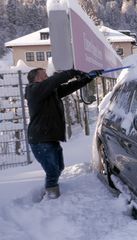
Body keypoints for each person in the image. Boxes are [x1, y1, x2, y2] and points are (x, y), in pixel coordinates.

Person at [25, 68, 103, 199]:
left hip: (50, 138)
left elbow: (70, 87)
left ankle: (51, 191)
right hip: (40, 139)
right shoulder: (34, 91)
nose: (47, 77)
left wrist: (88, 78)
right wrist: (74, 72)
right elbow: (54, 81)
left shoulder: (48, 92)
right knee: (52, 170)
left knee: (59, 167)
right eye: (44, 75)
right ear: (37, 79)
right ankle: (52, 196)